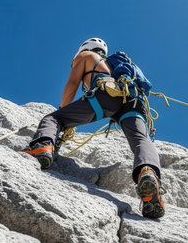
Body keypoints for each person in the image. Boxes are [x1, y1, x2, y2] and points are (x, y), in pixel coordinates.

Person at [22, 38, 165, 218]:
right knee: (141, 140)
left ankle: (42, 146)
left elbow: (72, 84)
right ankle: (148, 173)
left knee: (53, 118)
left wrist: (63, 116)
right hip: (133, 101)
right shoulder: (119, 67)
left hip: (107, 97)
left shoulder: (86, 56)